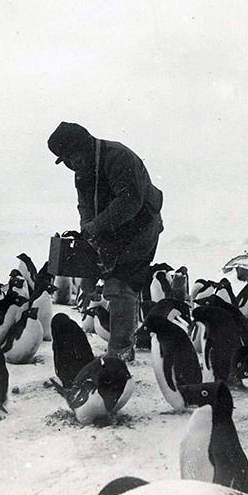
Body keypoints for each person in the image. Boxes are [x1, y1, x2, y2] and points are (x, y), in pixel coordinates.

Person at [48, 121, 164, 361]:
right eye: (65, 160)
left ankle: (120, 350)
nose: (70, 164)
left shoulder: (118, 157)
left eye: (71, 156)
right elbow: (85, 206)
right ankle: (120, 339)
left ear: (83, 145)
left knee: (120, 286)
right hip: (111, 233)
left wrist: (95, 227)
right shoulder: (82, 170)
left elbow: (130, 201)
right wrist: (87, 233)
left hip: (140, 231)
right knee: (90, 283)